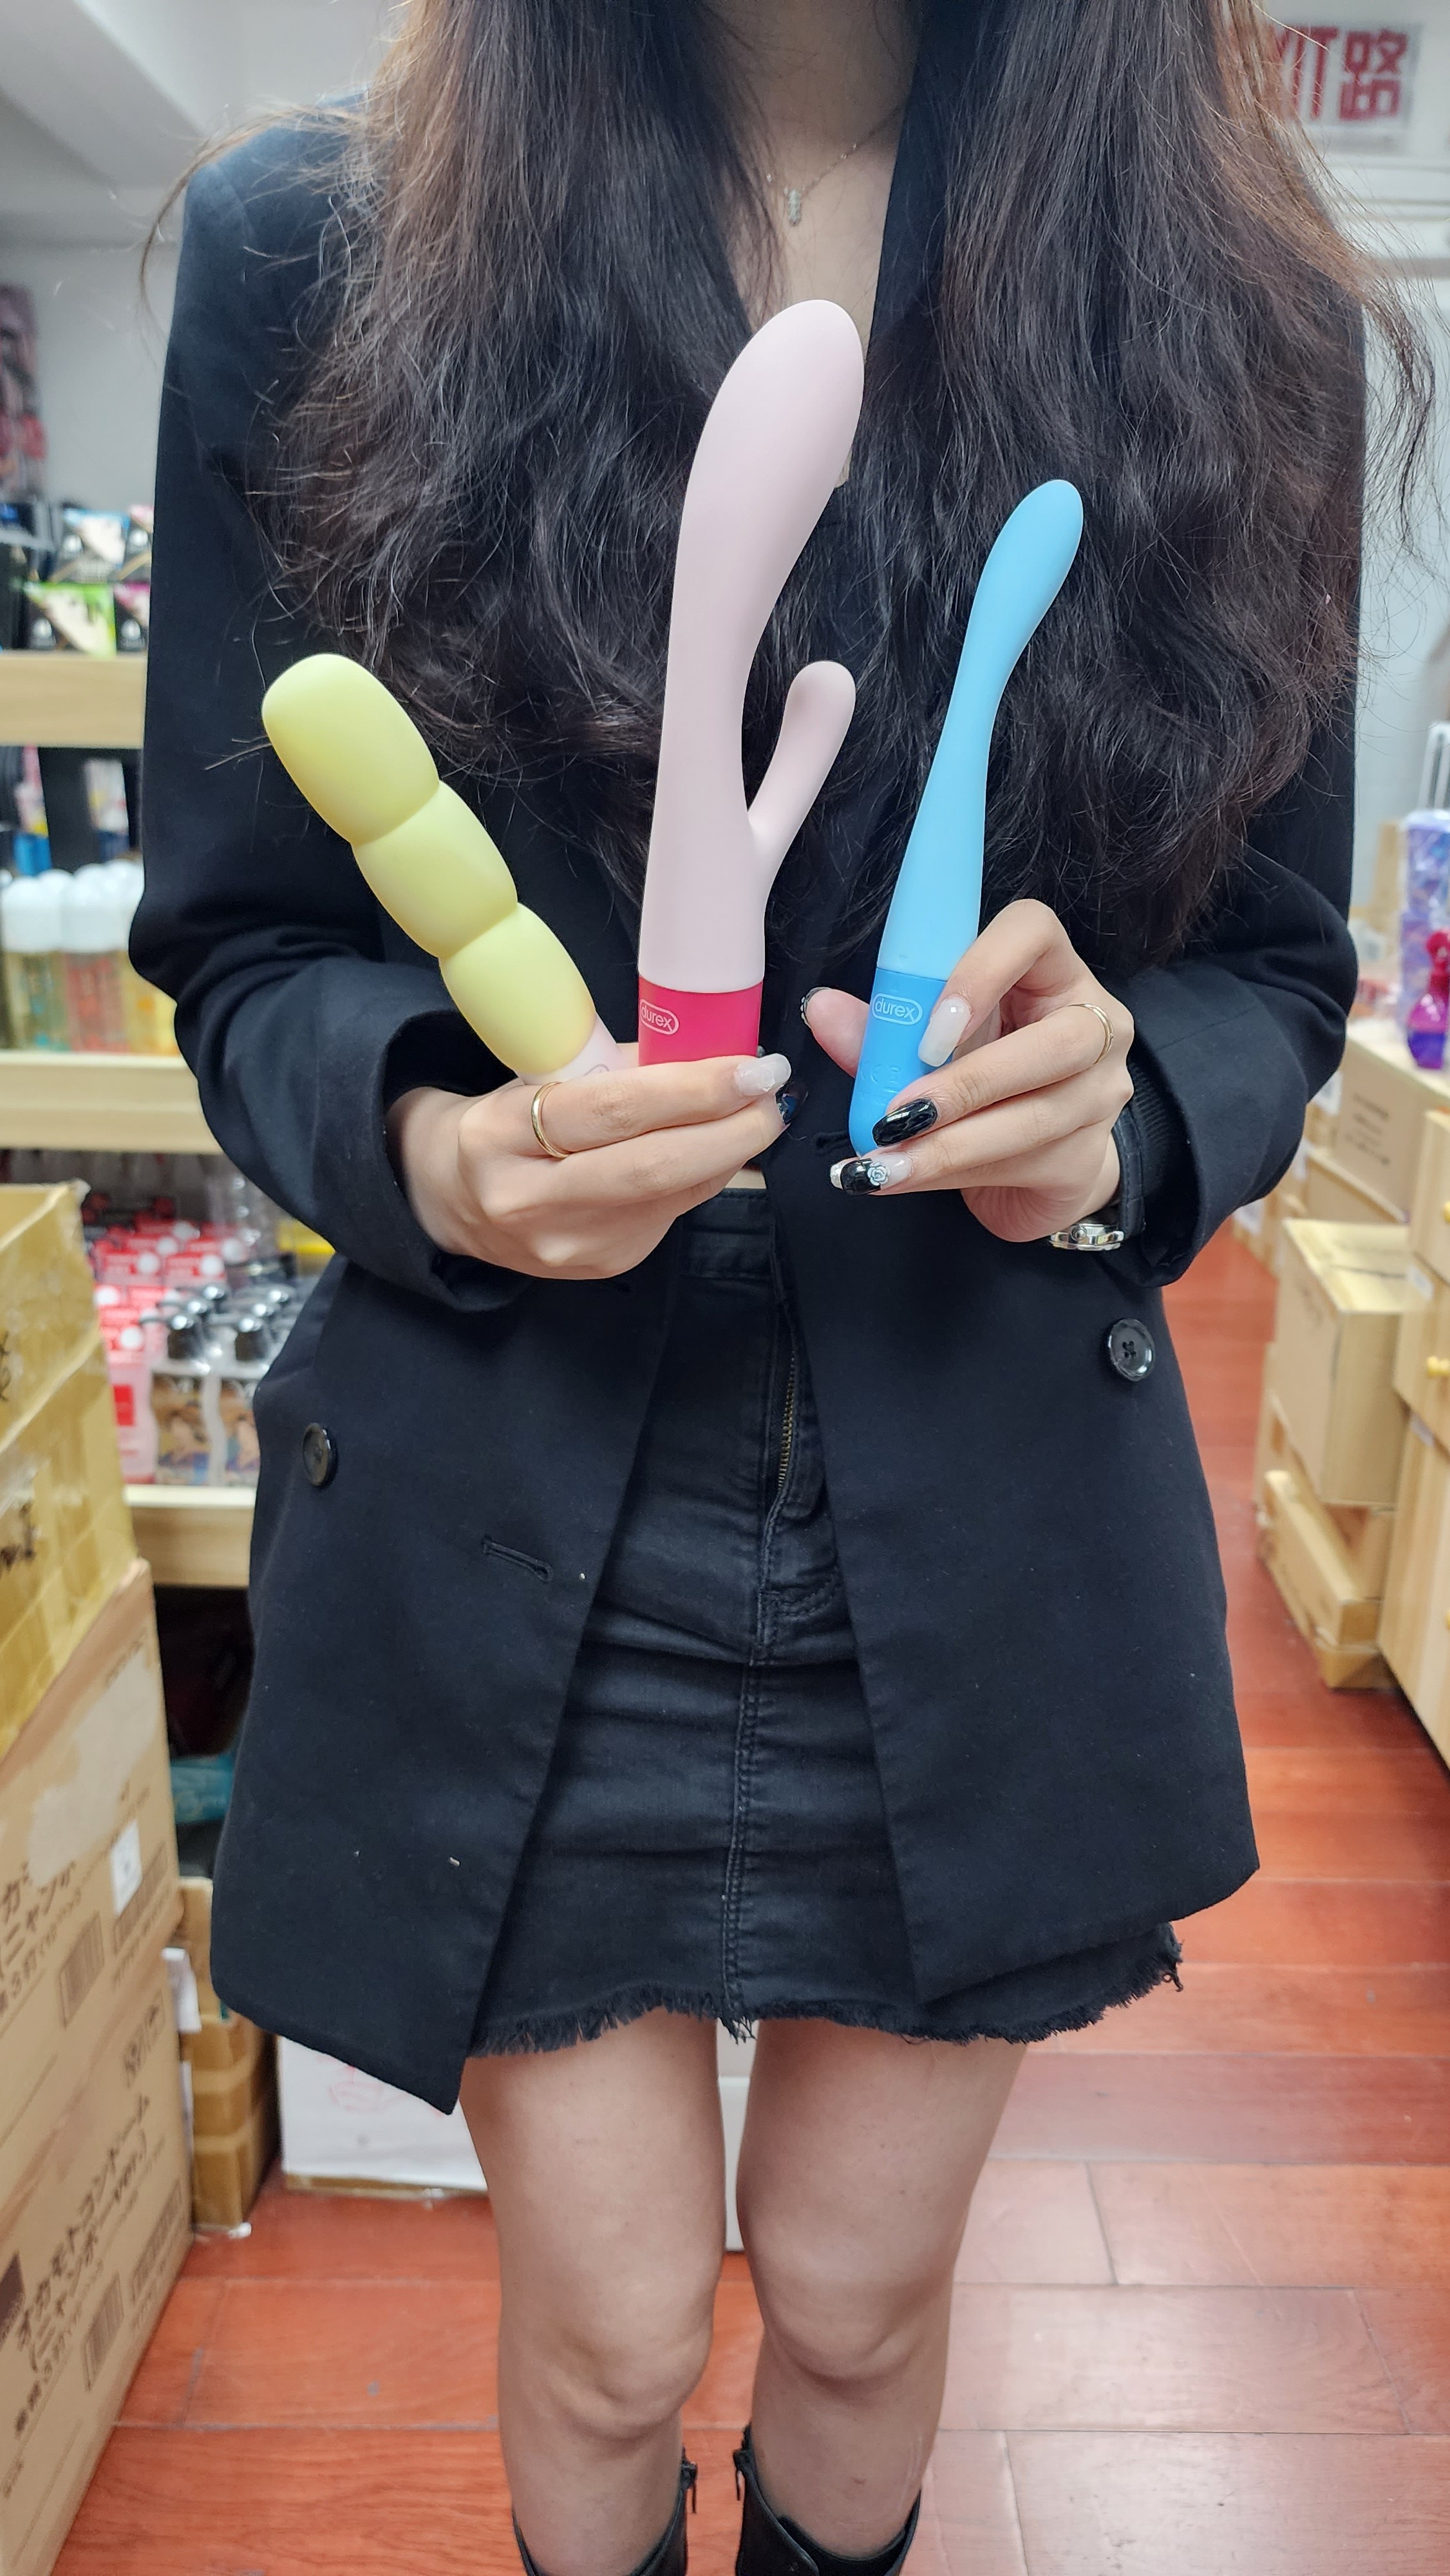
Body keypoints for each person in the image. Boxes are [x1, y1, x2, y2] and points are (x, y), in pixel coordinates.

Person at [136, 4, 1424, 2571]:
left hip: (974, 1494)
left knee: (851, 2292)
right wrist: (443, 1147)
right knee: (605, 2323)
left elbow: (1272, 968)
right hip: (512, 1479)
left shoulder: (1230, 308)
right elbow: (250, 942)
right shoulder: (318, 251)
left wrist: (1112, 1107)